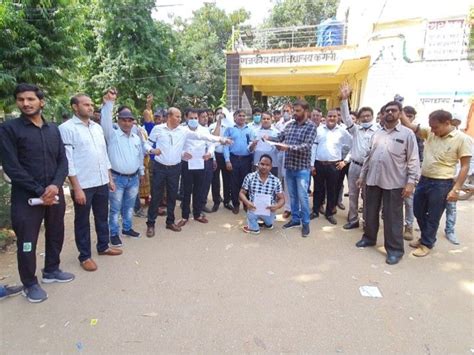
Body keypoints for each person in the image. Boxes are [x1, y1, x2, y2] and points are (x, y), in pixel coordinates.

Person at [0, 83, 74, 303]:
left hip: (54, 193)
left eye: (30, 99)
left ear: (41, 102)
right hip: (26, 198)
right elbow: (12, 167)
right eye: (21, 99)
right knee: (27, 241)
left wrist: (54, 185)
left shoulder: (53, 129)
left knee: (55, 232)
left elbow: (62, 160)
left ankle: (51, 270)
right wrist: (40, 190)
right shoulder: (9, 129)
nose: (25, 103)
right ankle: (29, 283)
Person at [59, 93, 123, 273]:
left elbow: (103, 154)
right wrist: (76, 188)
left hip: (101, 181)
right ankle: (85, 256)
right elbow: (68, 161)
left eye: (91, 105)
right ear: (75, 107)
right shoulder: (67, 128)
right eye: (86, 104)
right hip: (83, 184)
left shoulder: (96, 127)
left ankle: (103, 246)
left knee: (102, 217)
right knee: (82, 221)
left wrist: (109, 178)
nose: (90, 107)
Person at [145, 108, 231, 237]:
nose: (180, 119)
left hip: (175, 168)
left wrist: (221, 139)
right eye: (177, 116)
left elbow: (202, 136)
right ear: (169, 116)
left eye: (180, 117)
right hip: (160, 167)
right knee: (156, 196)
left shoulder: (183, 131)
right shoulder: (158, 129)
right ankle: (151, 224)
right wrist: (152, 150)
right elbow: (147, 144)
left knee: (172, 196)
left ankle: (170, 221)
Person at [399, 109, 472, 257]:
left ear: (447, 123)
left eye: (436, 127)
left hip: (442, 184)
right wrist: (400, 111)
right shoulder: (430, 132)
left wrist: (456, 189)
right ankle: (427, 237)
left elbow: (465, 166)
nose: (432, 130)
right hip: (424, 180)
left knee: (433, 215)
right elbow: (410, 125)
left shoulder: (462, 139)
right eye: (431, 127)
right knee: (417, 210)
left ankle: (426, 243)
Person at [356, 101, 420, 265]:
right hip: (373, 180)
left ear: (400, 114)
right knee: (370, 212)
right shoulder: (377, 133)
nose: (390, 113)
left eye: (393, 110)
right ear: (383, 114)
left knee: (393, 217)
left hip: (394, 182)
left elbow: (413, 160)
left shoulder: (407, 134)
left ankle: (394, 250)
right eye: (387, 111)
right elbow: (368, 157)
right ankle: (369, 238)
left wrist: (411, 182)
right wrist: (362, 176)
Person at [266, 100, 317, 237]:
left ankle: (305, 223)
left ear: (306, 112)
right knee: (292, 196)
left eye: (297, 111)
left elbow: (306, 146)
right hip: (289, 166)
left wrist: (287, 147)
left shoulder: (311, 126)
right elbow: (279, 137)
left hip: (302, 168)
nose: (294, 113)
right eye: (293, 110)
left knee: (303, 197)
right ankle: (295, 219)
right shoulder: (290, 126)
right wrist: (269, 138)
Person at [100, 91, 145, 247]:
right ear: (118, 121)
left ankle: (127, 228)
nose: (127, 123)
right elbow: (105, 122)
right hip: (117, 178)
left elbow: (140, 156)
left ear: (133, 122)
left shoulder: (136, 138)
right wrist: (109, 103)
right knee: (115, 208)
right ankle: (113, 233)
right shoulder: (112, 135)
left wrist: (141, 172)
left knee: (129, 206)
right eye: (124, 120)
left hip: (133, 178)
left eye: (129, 120)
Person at [339, 83, 378, 230]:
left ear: (372, 117)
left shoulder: (379, 131)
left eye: (368, 116)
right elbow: (346, 117)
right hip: (354, 166)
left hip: (370, 168)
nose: (366, 118)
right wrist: (344, 99)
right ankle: (353, 219)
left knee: (368, 197)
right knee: (353, 195)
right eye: (363, 116)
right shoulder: (355, 130)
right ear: (359, 119)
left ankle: (367, 223)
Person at [311, 109, 352, 224]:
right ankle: (315, 210)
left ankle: (329, 213)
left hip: (334, 165)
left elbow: (354, 145)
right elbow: (314, 147)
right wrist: (311, 164)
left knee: (332, 190)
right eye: (330, 116)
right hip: (319, 164)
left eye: (334, 116)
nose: (332, 118)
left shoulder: (342, 131)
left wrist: (345, 161)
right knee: (318, 189)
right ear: (326, 117)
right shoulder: (318, 130)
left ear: (338, 118)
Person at [177, 109, 213, 227]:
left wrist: (210, 153)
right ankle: (185, 216)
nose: (194, 120)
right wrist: (182, 153)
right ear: (186, 118)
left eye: (195, 118)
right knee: (187, 191)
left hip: (201, 162)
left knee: (199, 189)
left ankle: (197, 214)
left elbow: (211, 144)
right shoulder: (181, 131)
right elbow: (176, 146)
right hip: (187, 163)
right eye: (191, 118)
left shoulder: (204, 130)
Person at [239, 154, 285, 234]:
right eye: (262, 164)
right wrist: (247, 202)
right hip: (253, 208)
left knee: (269, 224)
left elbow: (282, 199)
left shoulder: (276, 181)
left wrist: (277, 206)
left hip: (269, 210)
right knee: (255, 230)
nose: (264, 167)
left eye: (267, 165)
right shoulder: (249, 177)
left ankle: (267, 222)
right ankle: (253, 226)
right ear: (258, 164)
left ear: (271, 167)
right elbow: (241, 193)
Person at [223, 109, 255, 214]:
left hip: (246, 159)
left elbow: (252, 146)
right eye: (239, 115)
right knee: (234, 183)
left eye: (243, 116)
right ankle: (236, 204)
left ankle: (246, 204)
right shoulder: (229, 129)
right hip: (234, 158)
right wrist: (227, 160)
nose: (241, 117)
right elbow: (226, 146)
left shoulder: (250, 130)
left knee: (246, 183)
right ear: (234, 118)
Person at [401, 105, 423, 240]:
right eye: (405, 115)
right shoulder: (397, 131)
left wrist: (413, 178)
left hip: (410, 172)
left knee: (409, 201)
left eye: (410, 116)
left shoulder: (418, 133)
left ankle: (409, 226)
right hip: (395, 172)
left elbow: (417, 157)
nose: (407, 119)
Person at [249, 111, 280, 176]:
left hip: (272, 164)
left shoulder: (277, 132)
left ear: (272, 120)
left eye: (268, 119)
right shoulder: (254, 131)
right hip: (258, 163)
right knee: (257, 184)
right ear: (261, 120)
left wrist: (273, 140)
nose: (266, 120)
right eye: (264, 119)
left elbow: (280, 149)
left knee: (272, 184)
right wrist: (254, 143)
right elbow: (250, 149)